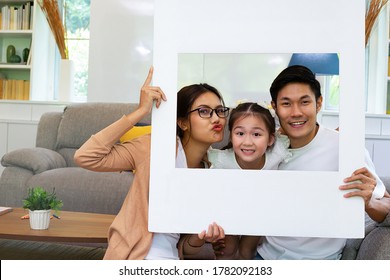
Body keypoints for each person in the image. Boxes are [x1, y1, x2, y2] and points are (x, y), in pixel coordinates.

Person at [74, 67, 227, 260]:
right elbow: (86, 156)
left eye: (220, 110)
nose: (216, 118)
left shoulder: (211, 169)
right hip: (136, 257)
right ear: (182, 122)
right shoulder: (154, 147)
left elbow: (186, 248)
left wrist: (200, 238)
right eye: (204, 111)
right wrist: (140, 112)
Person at [254, 65, 390, 259]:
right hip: (265, 257)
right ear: (274, 107)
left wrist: (368, 202)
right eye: (286, 104)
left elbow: (385, 203)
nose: (296, 112)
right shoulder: (264, 146)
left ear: (318, 104)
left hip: (321, 261)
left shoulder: (345, 148)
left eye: (304, 102)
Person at [207, 102, 290, 259]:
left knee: (246, 251)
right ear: (231, 135)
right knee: (228, 249)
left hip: (260, 210)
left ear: (271, 139)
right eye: (240, 133)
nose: (247, 142)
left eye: (256, 134)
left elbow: (292, 131)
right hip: (229, 208)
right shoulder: (221, 160)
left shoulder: (277, 153)